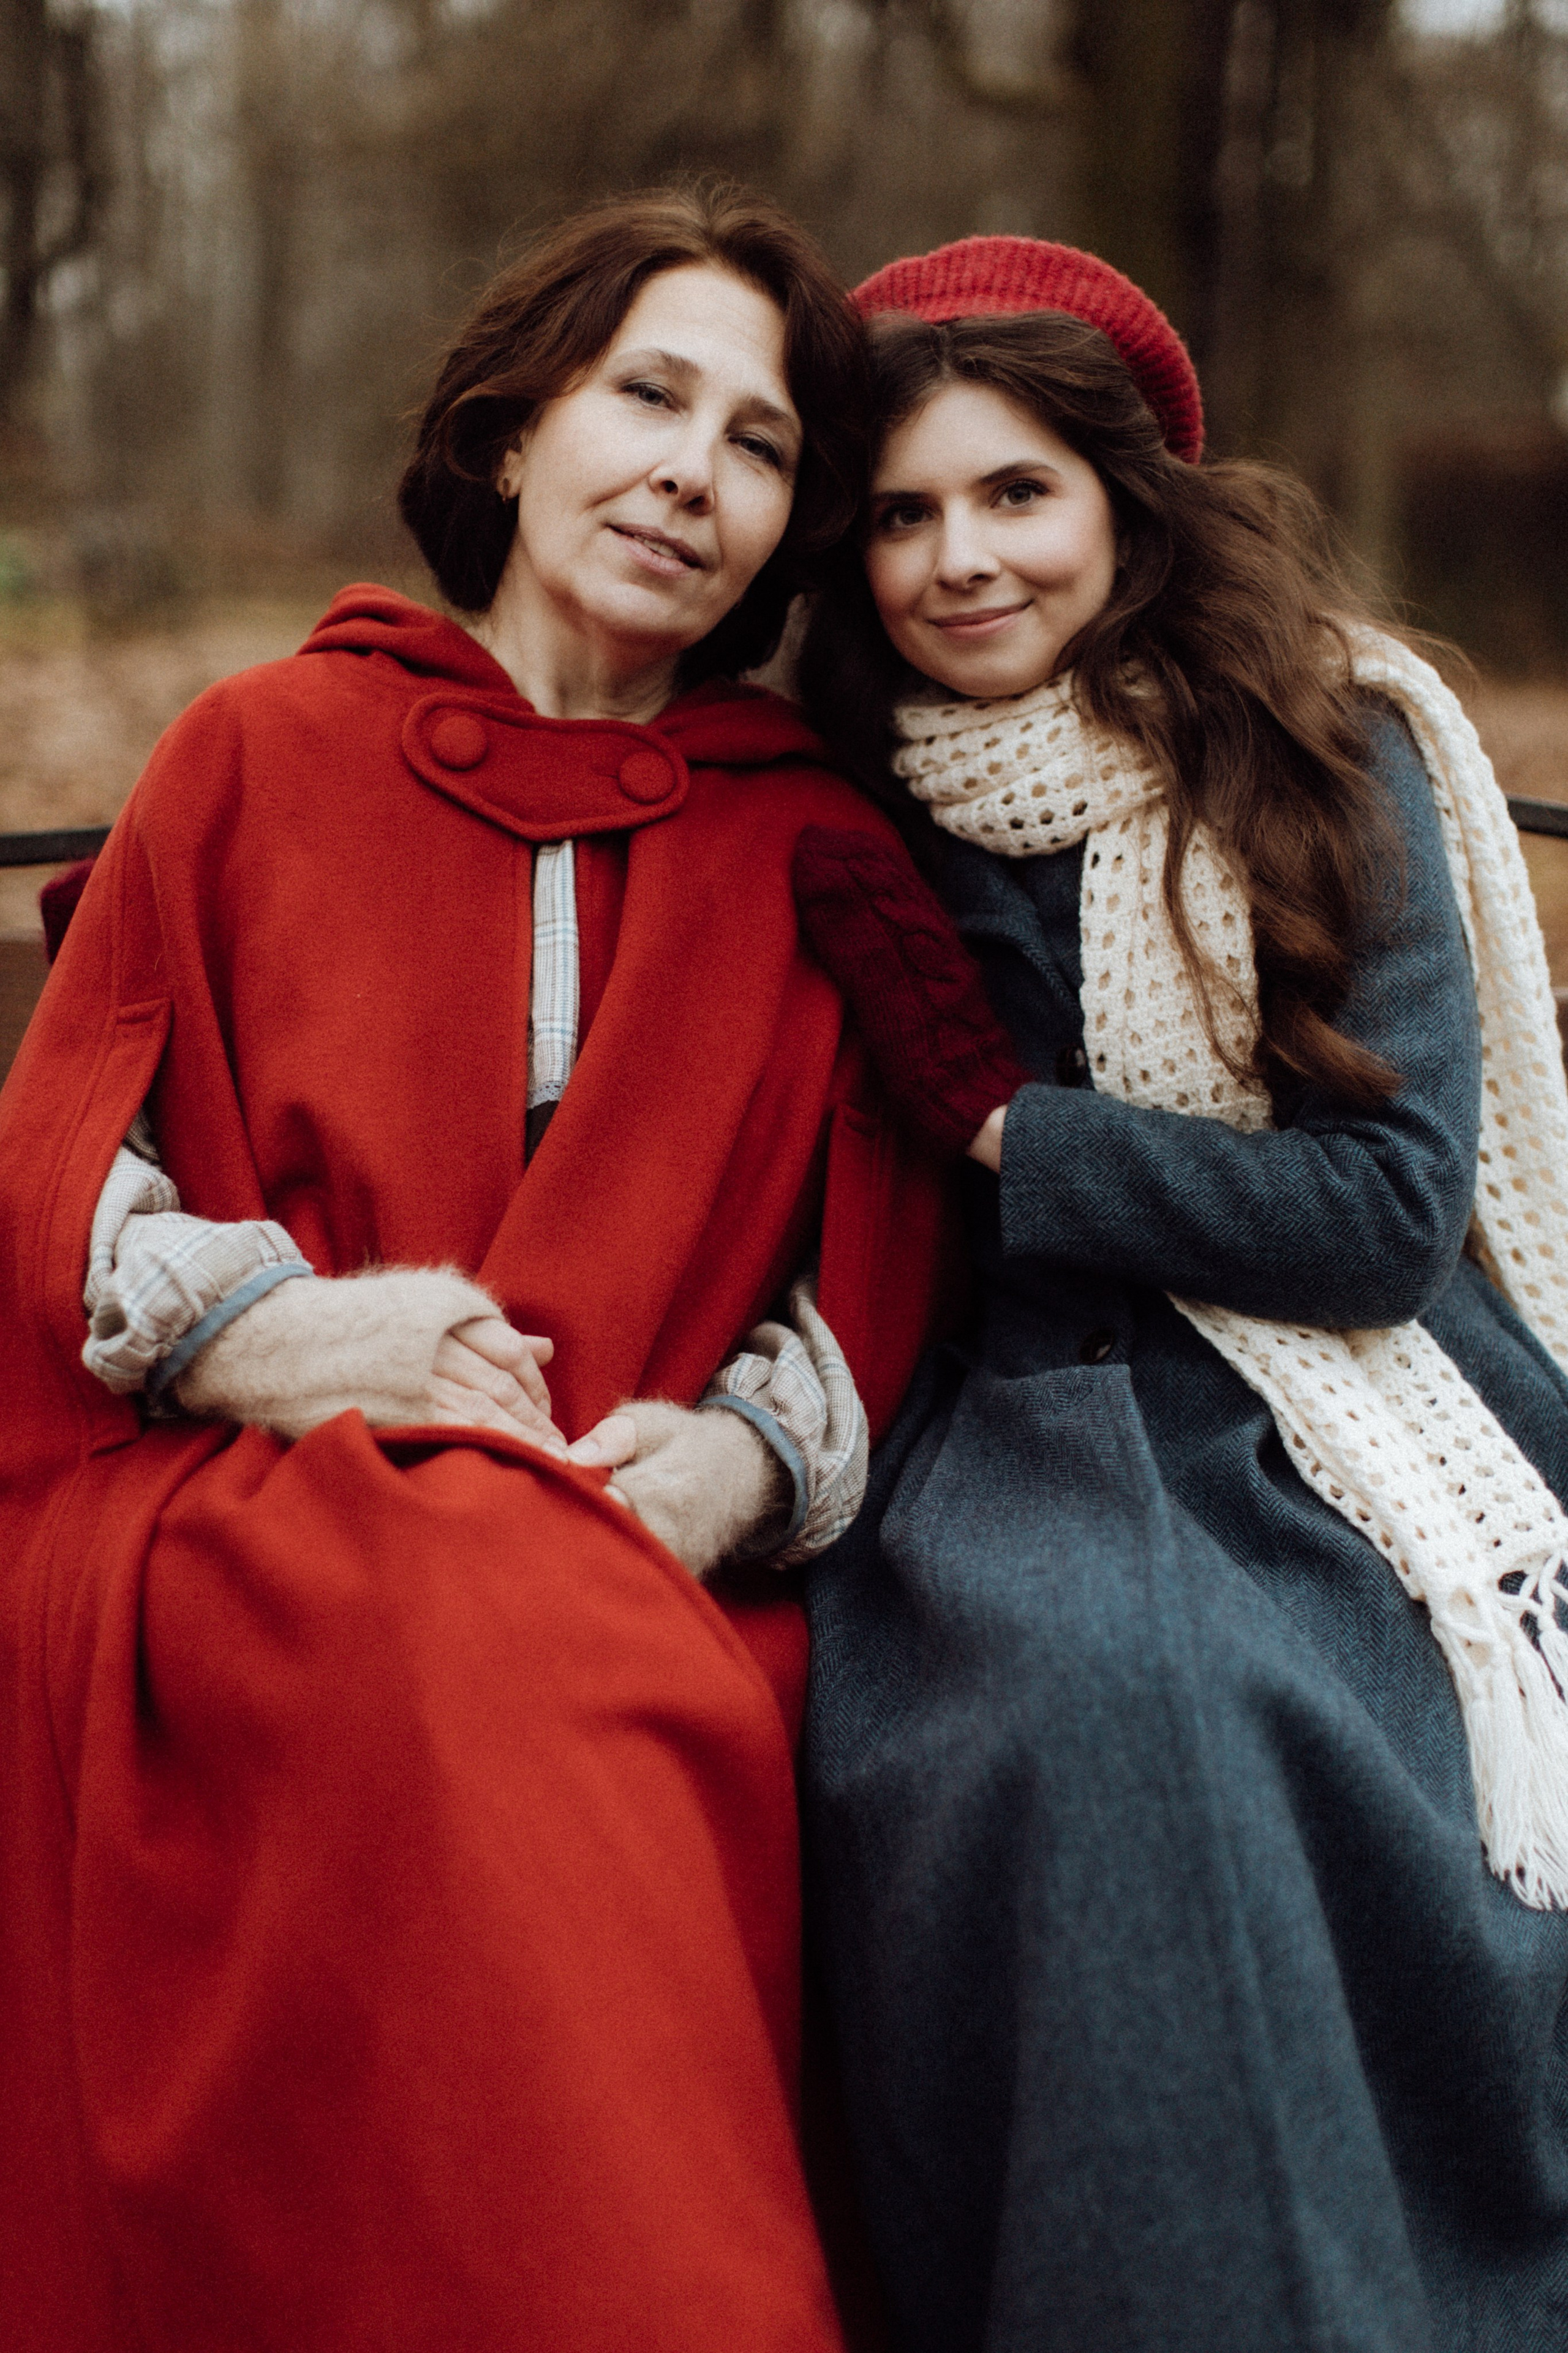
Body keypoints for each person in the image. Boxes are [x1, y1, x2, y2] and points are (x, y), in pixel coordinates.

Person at [0, 184, 951, 2353]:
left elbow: (883, 1259)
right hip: (260, 1502)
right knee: (435, 1634)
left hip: (641, 1528)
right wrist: (280, 1330)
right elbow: (66, 1158)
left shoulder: (811, 838)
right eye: (648, 396)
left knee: (561, 1649)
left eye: (764, 443)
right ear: (517, 434)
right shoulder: (256, 748)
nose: (692, 471)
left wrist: (741, 1462)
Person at [791, 235, 1568, 2353]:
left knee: (1258, 1720)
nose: (959, 559)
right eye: (902, 513)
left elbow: (1390, 1212)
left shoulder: (1330, 743)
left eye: (1015, 491)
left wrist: (1012, 1133)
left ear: (1133, 499)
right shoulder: (839, 798)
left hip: (1345, 1406)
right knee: (1071, 1720)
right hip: (991, 1424)